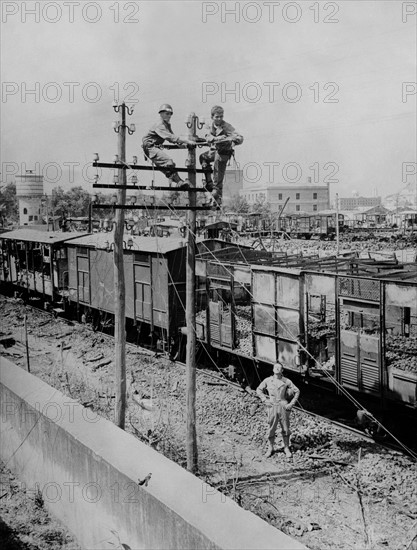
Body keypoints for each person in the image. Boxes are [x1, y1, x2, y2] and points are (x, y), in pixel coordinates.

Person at [142, 104, 196, 189]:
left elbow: (173, 138)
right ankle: (179, 181)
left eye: (170, 114)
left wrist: (184, 144)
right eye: (167, 114)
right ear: (161, 114)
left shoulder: (166, 124)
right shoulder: (159, 124)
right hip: (150, 147)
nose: (169, 116)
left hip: (154, 147)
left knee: (168, 166)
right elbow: (170, 137)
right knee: (168, 161)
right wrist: (187, 140)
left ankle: (179, 182)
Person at [199, 105, 243, 206]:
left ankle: (216, 197)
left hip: (223, 153)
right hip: (214, 151)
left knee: (218, 179)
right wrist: (217, 138)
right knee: (203, 157)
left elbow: (239, 137)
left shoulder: (227, 126)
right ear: (212, 117)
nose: (219, 119)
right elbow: (207, 137)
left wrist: (234, 140)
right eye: (217, 117)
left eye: (221, 117)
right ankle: (209, 182)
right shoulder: (209, 125)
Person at [256, 362, 300, 458]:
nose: (276, 369)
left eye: (279, 368)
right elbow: (258, 390)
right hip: (272, 406)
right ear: (272, 369)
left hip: (283, 406)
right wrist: (264, 400)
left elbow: (297, 391)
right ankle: (270, 448)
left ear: (282, 370)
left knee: (285, 428)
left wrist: (291, 404)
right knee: (271, 428)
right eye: (275, 367)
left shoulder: (286, 381)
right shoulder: (268, 380)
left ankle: (286, 448)